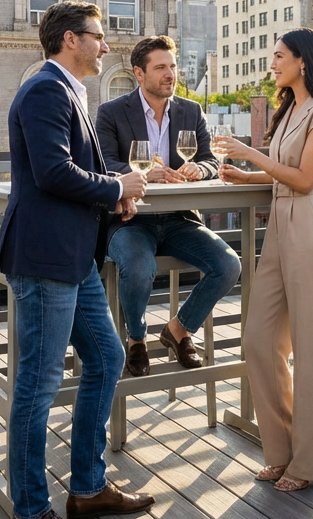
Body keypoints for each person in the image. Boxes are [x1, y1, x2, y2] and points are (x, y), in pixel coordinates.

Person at [0, 1, 153, 519]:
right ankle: (31, 513)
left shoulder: (69, 90)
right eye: (98, 36)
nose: (105, 45)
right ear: (69, 39)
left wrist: (117, 190)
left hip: (73, 255)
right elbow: (52, 172)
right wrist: (114, 190)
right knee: (37, 386)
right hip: (44, 258)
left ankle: (86, 488)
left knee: (108, 358)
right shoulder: (45, 89)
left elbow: (75, 166)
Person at [213, 28, 313, 493]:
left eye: (279, 56)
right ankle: (282, 449)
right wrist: (243, 177)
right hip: (279, 228)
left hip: (312, 229)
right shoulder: (291, 108)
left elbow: (306, 176)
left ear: (303, 61)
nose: (272, 63)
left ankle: (309, 463)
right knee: (258, 339)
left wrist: (250, 153)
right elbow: (281, 176)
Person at [94, 35, 240, 377]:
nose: (170, 74)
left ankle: (178, 330)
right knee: (139, 268)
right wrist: (140, 172)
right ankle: (137, 341)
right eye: (160, 67)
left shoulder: (191, 111)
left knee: (228, 265)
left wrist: (197, 169)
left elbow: (209, 161)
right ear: (139, 73)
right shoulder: (111, 113)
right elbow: (102, 163)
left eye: (172, 66)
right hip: (130, 221)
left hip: (179, 219)